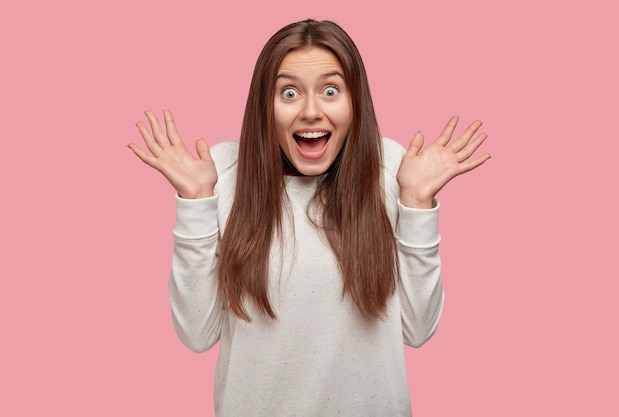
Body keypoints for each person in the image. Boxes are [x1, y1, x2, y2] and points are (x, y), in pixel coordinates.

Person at [128, 19, 489, 417]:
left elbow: (417, 329)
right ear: (265, 105)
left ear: (356, 103)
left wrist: (417, 201)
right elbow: (196, 333)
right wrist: (195, 201)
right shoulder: (222, 174)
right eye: (289, 92)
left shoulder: (393, 172)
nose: (311, 111)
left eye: (331, 91)